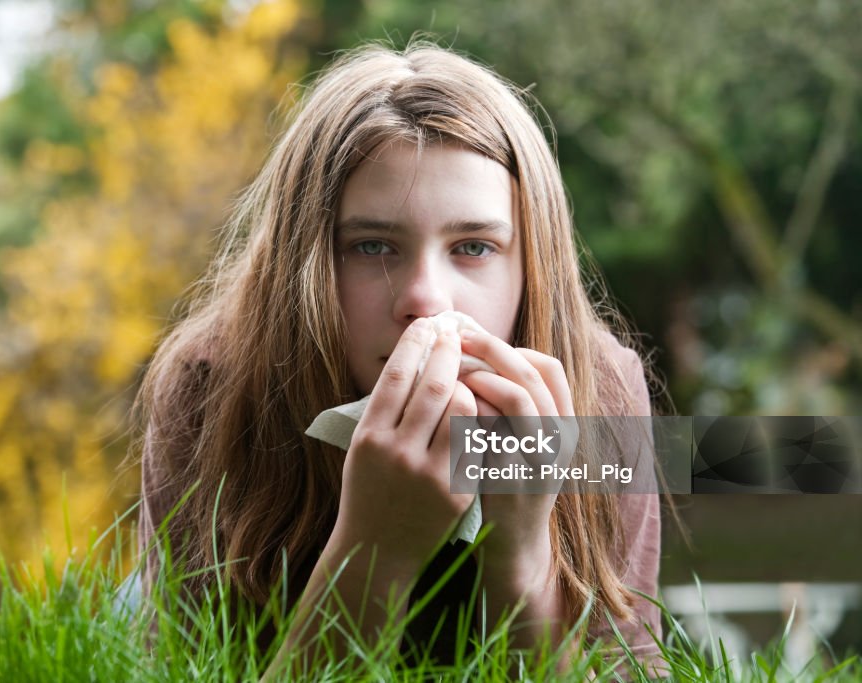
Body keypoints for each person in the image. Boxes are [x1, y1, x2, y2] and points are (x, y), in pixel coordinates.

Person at [136, 41, 667, 677]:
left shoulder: (600, 390)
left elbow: (629, 662)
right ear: (305, 265)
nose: (425, 300)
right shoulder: (209, 385)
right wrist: (373, 547)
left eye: (473, 247)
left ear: (535, 266)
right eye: (371, 247)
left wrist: (522, 555)